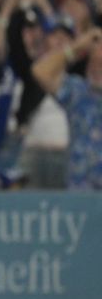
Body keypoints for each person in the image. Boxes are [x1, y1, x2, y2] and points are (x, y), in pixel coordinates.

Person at [32, 25, 102, 190]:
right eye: (94, 62)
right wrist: (77, 47)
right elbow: (40, 71)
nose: (97, 69)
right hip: (80, 191)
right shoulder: (79, 92)